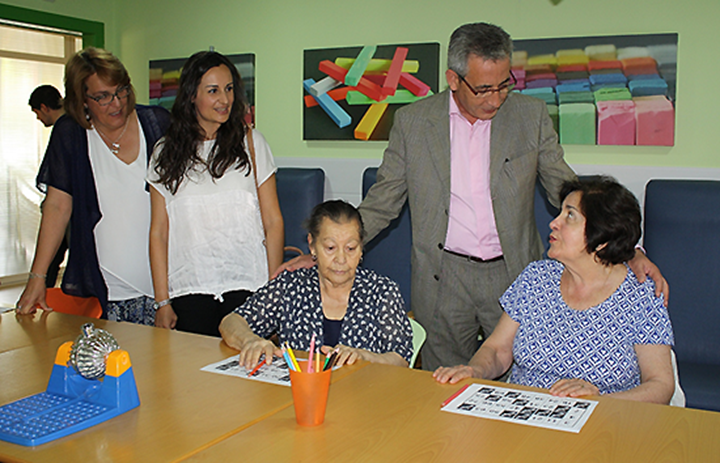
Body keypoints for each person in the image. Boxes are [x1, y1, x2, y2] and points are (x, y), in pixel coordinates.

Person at [278, 22, 668, 371]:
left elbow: (567, 190)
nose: (496, 99)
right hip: (442, 276)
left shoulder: (529, 117)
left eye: (504, 84)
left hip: (513, 272)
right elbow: (383, 201)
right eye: (483, 88)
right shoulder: (414, 123)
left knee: (517, 378)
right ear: (453, 78)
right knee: (440, 382)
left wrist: (627, 249)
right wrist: (322, 254)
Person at [434, 177, 675, 404]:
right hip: (523, 417)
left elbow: (660, 385)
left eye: (570, 216)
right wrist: (474, 370)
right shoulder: (536, 278)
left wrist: (600, 402)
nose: (553, 222)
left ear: (602, 238)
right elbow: (497, 349)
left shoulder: (641, 294)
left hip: (604, 424)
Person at [16, 47, 170, 324]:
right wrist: (37, 276)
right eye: (102, 97)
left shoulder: (157, 125)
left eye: (121, 90)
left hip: (165, 289)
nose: (117, 103)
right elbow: (57, 206)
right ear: (81, 99)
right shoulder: (71, 134)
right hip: (102, 292)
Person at [148, 51, 284, 337]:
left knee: (249, 378)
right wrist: (162, 301)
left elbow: (273, 221)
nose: (225, 99)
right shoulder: (165, 151)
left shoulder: (252, 142)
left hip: (248, 287)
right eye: (213, 91)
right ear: (191, 96)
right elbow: (159, 232)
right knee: (192, 378)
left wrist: (274, 295)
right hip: (188, 289)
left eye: (229, 88)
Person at [220, 200, 413, 369]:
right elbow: (231, 322)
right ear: (312, 245)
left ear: (361, 247)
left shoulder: (381, 291)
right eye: (330, 248)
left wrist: (365, 357)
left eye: (351, 248)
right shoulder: (291, 287)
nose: (341, 259)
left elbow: (401, 358)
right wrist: (251, 341)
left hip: (362, 399)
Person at [29, 84, 68, 287]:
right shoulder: (76, 123)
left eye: (37, 113)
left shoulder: (64, 128)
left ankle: (40, 288)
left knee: (51, 257)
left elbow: (57, 175)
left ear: (44, 107)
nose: (38, 118)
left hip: (68, 208)